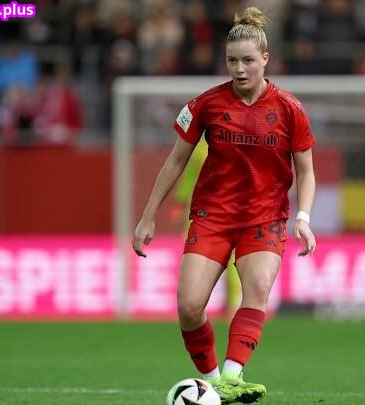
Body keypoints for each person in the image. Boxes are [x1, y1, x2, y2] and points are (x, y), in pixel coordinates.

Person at [131, 6, 317, 404]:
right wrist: (148, 216)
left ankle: (232, 377)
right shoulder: (206, 104)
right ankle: (213, 382)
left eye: (248, 60)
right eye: (232, 61)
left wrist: (303, 217)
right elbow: (175, 161)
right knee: (189, 307)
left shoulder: (289, 109)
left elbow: (306, 171)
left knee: (257, 288)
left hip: (264, 217)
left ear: (265, 58)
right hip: (212, 217)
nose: (240, 69)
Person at [174, 138, 242, 323]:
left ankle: (232, 305)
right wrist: (181, 201)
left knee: (232, 262)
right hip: (200, 212)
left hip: (229, 212)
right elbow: (190, 175)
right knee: (194, 259)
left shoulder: (234, 140)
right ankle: (191, 306)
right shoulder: (199, 147)